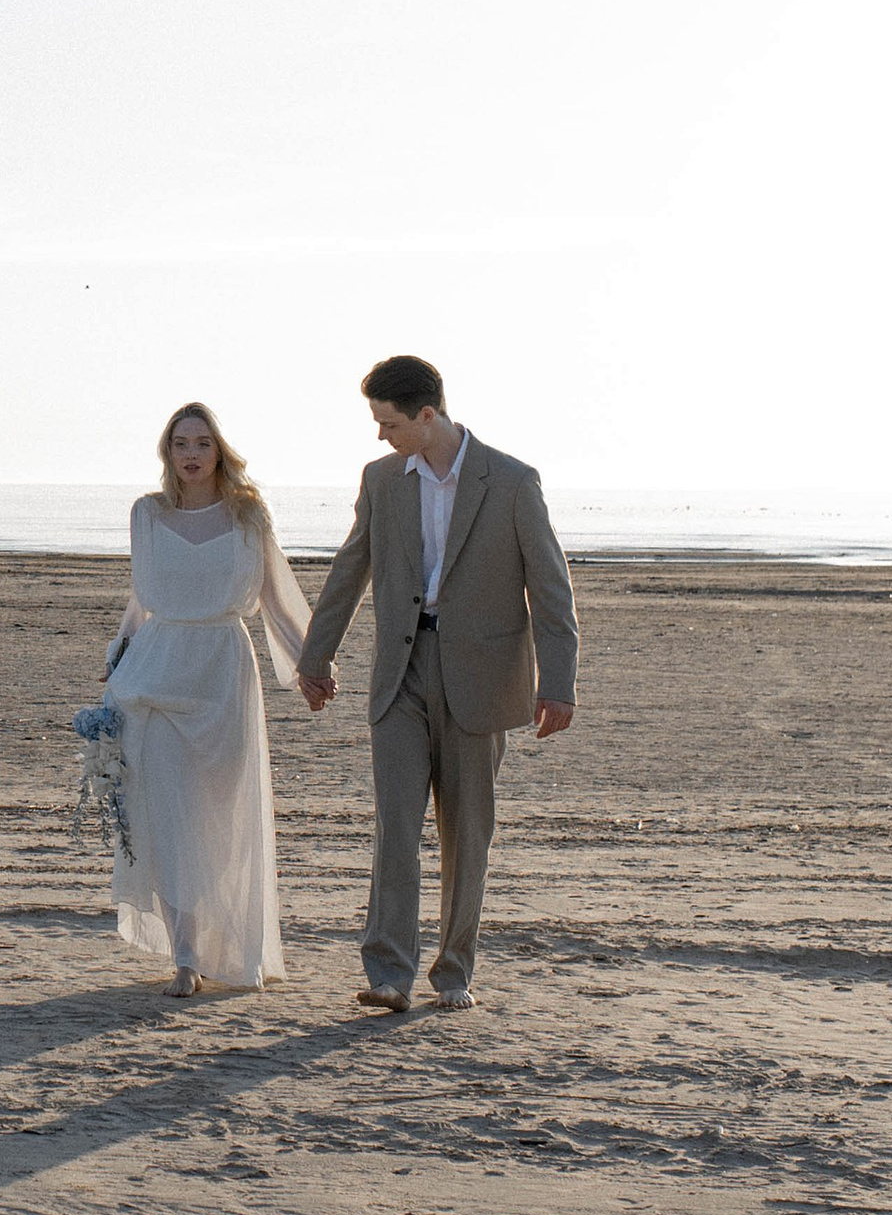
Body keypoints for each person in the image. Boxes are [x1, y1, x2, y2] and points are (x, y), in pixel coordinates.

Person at [294, 356, 578, 1014]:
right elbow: (350, 570)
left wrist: (556, 683)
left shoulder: (510, 482)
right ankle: (388, 973)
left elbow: (551, 589)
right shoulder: (382, 479)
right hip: (402, 673)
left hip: (482, 678)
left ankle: (453, 974)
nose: (380, 436)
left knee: (465, 831)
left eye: (388, 423)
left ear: (427, 416)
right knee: (397, 825)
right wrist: (317, 658)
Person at [100, 401, 316, 995]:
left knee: (219, 817)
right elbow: (143, 599)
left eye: (201, 442)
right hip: (154, 677)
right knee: (164, 818)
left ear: (219, 450)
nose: (190, 454)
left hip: (223, 672)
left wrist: (310, 664)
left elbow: (276, 597)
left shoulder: (250, 516)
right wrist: (117, 659)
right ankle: (188, 957)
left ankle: (226, 942)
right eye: (179, 444)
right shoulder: (146, 513)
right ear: (168, 453)